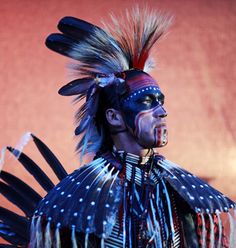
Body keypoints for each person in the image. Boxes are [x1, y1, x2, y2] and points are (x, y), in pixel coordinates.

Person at [0, 7, 235, 248]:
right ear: (114, 117)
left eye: (161, 102)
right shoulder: (81, 197)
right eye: (146, 102)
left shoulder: (180, 191)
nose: (162, 111)